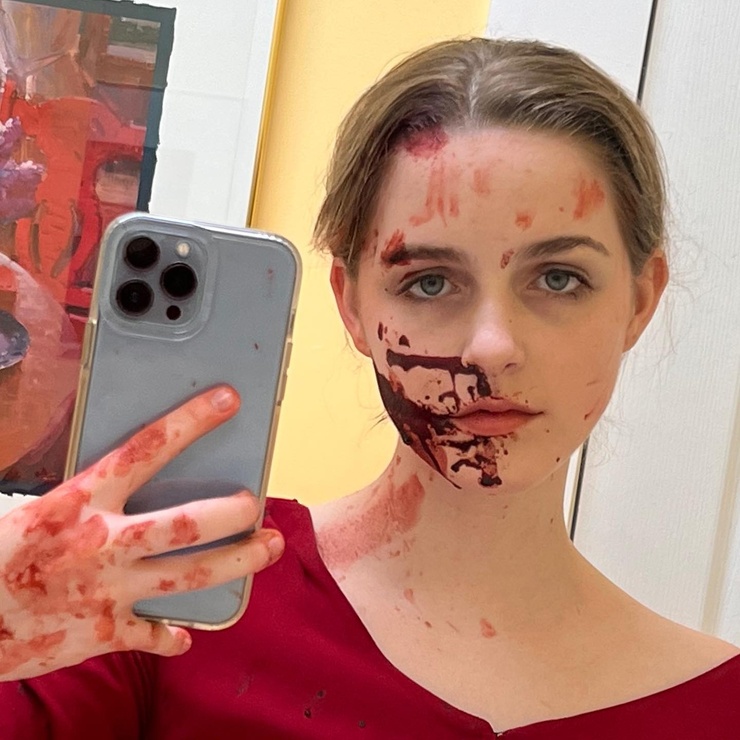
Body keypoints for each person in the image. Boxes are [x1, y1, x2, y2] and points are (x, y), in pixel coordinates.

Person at [0, 37, 738, 739]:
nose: (492, 347)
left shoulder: (718, 709)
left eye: (559, 279)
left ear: (640, 301)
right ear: (352, 306)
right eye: (430, 282)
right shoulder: (151, 599)